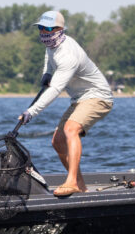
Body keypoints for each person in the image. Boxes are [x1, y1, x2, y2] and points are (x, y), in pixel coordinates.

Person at [18, 10, 113, 197]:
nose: (44, 33)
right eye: (40, 28)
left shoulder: (68, 55)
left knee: (71, 129)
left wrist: (32, 112)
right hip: (79, 99)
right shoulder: (52, 44)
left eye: (48, 29)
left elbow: (54, 90)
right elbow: (49, 56)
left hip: (98, 97)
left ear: (60, 29)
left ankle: (71, 182)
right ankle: (80, 185)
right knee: (58, 141)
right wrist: (47, 73)